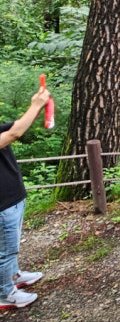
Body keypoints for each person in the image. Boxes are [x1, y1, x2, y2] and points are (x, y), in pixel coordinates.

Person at [0, 86, 51, 309]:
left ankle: (13, 275)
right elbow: (14, 134)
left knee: (10, 246)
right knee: (6, 250)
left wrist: (38, 109)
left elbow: (16, 126)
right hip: (2, 205)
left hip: (12, 199)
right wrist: (36, 104)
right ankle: (5, 294)